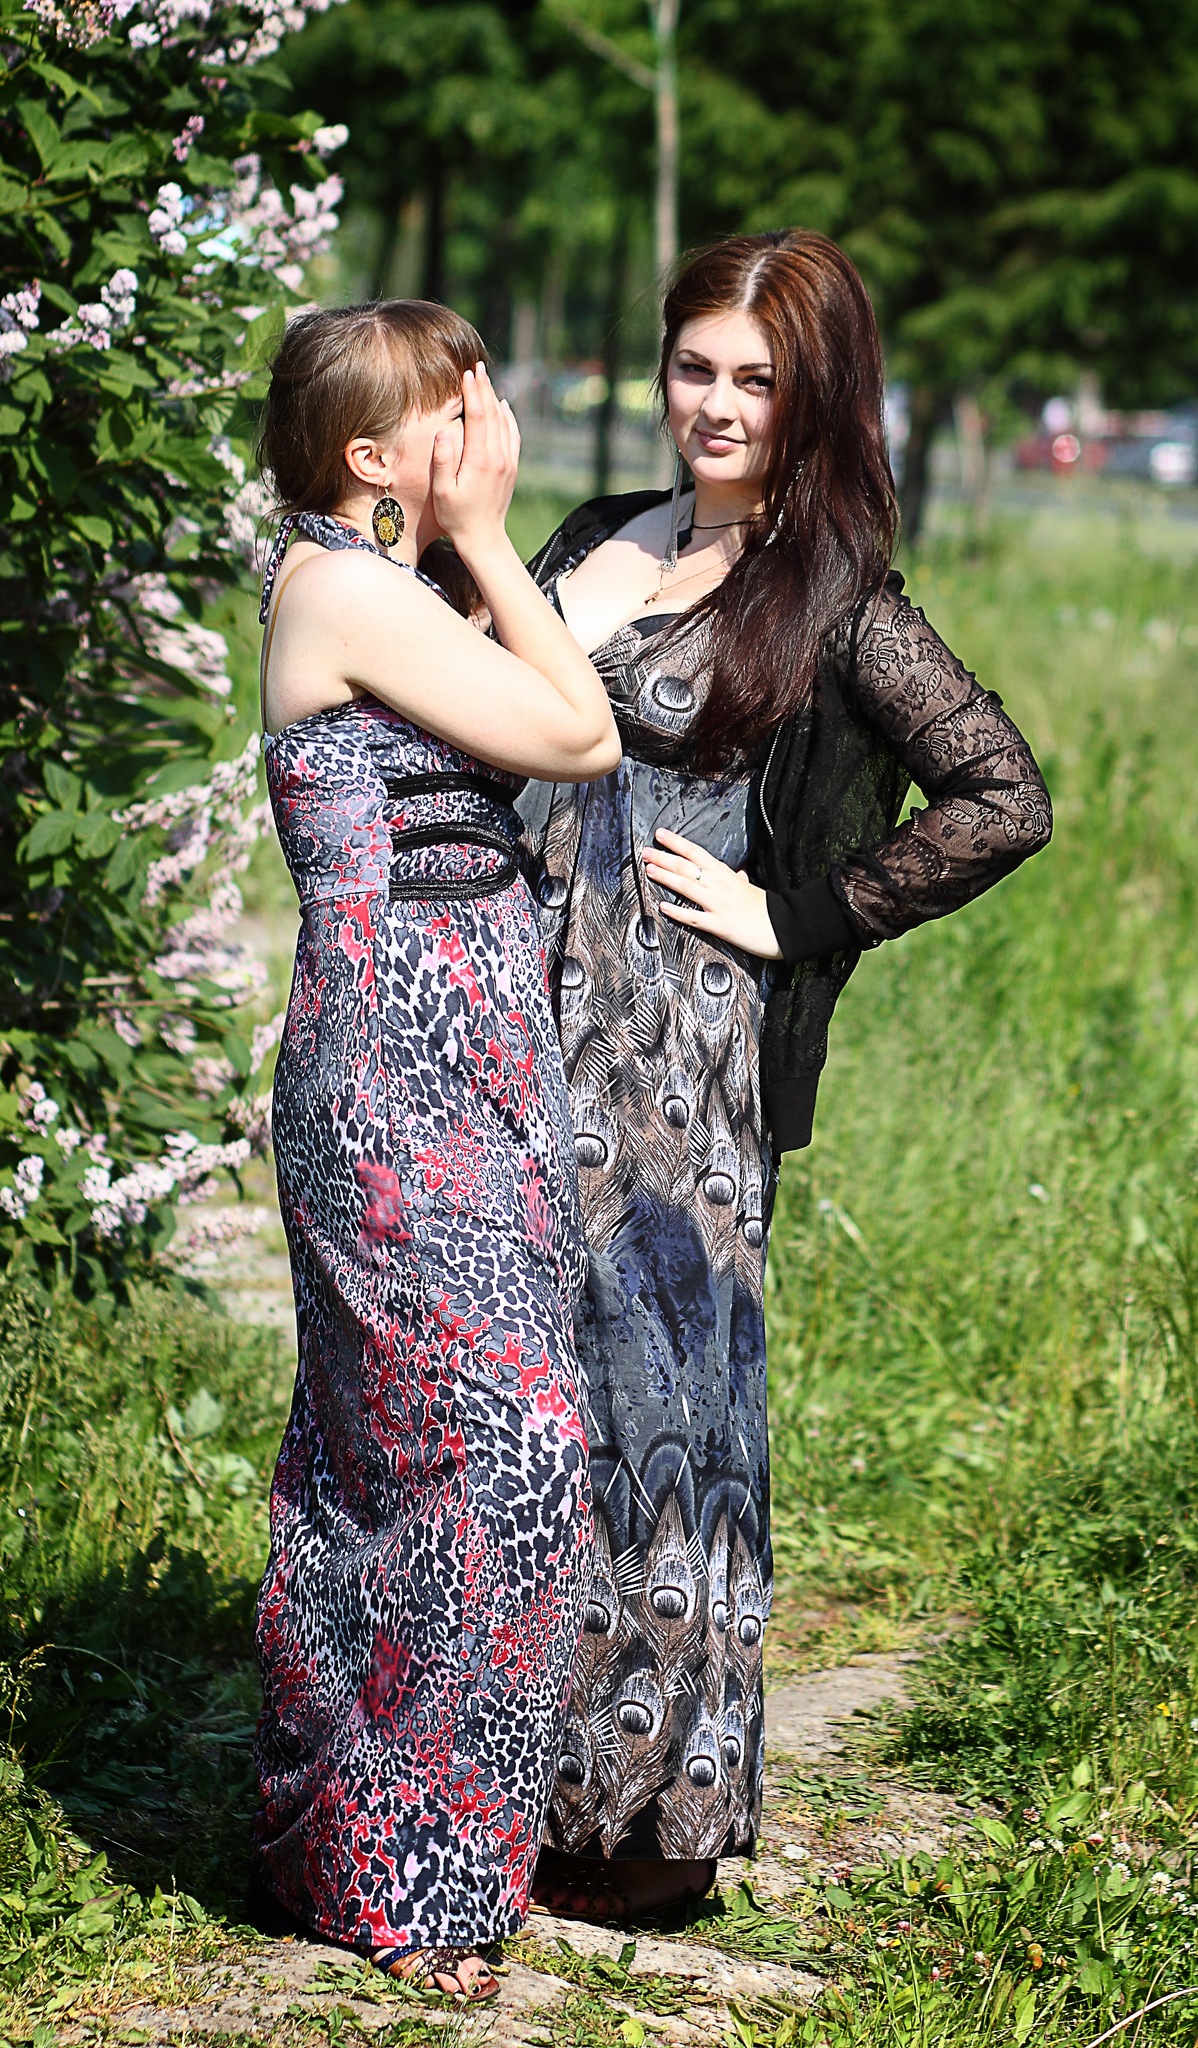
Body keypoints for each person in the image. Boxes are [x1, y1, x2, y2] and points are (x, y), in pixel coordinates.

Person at [519, 231, 1052, 1920]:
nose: (717, 404)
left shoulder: (829, 594)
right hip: (511, 1013)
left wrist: (792, 912)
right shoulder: (596, 535)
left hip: (673, 1054)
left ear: (813, 396)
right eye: (695, 366)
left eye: (756, 379)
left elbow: (1001, 797)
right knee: (516, 1395)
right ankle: (498, 1776)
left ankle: (639, 1826)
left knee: (651, 1413)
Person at [250, 300, 620, 1999]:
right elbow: (577, 735)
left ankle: (371, 1852)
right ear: (370, 455)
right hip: (390, 1083)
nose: (487, 424)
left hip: (479, 1069)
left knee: (405, 1463)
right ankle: (403, 1868)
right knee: (500, 1453)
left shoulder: (394, 592)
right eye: (453, 407)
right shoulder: (338, 587)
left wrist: (469, 552)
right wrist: (484, 536)